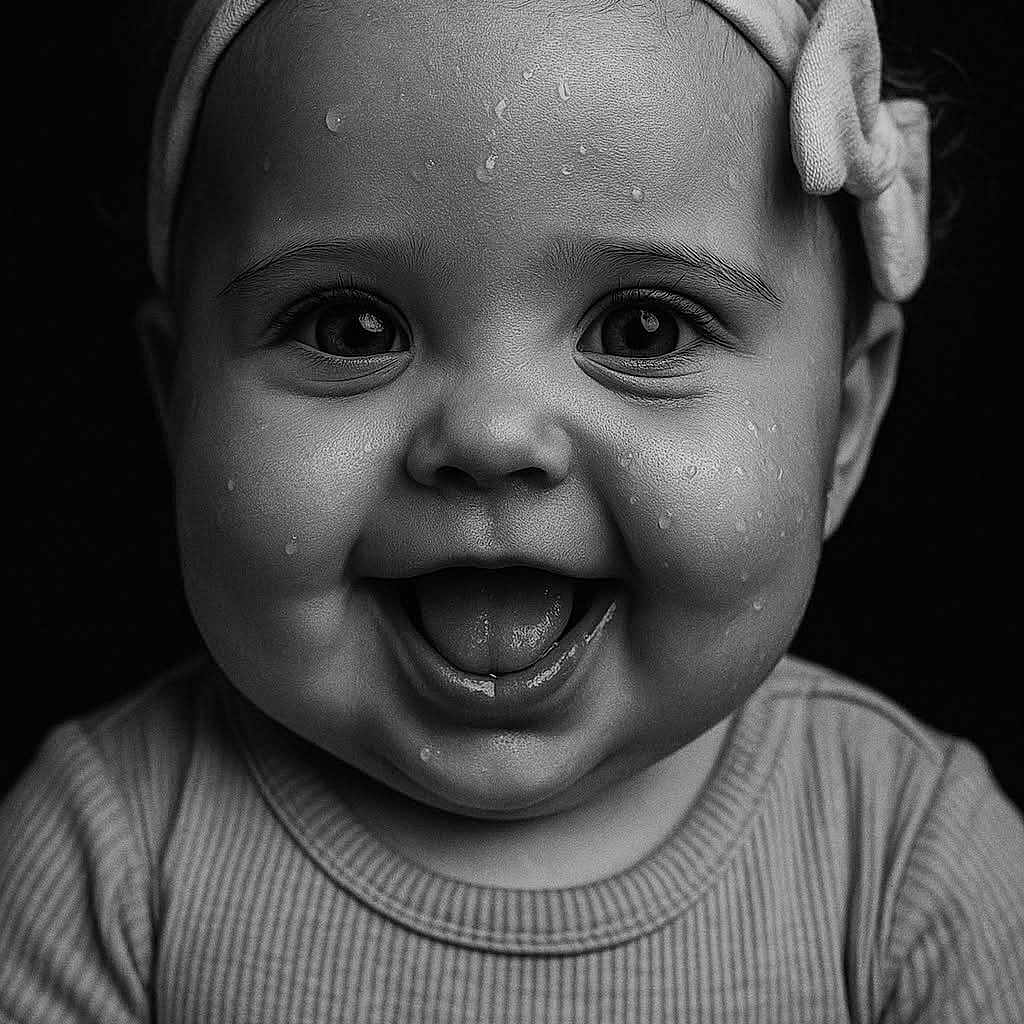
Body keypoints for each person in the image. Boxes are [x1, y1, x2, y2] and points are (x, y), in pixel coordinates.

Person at [2, 0, 1022, 1019]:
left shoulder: (911, 869)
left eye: (643, 326)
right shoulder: (101, 861)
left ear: (841, 425)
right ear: (176, 402)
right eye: (352, 328)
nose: (489, 435)